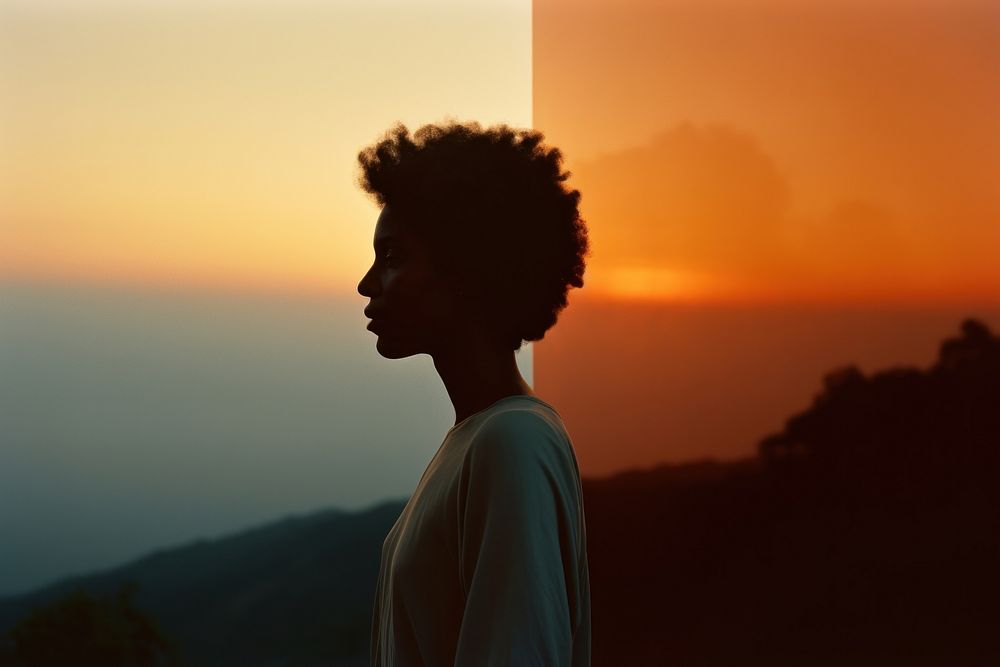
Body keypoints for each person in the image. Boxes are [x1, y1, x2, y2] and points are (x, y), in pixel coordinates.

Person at [356, 119, 592, 666]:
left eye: (393, 258)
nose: (367, 284)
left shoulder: (512, 441)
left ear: (469, 270)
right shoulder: (480, 436)